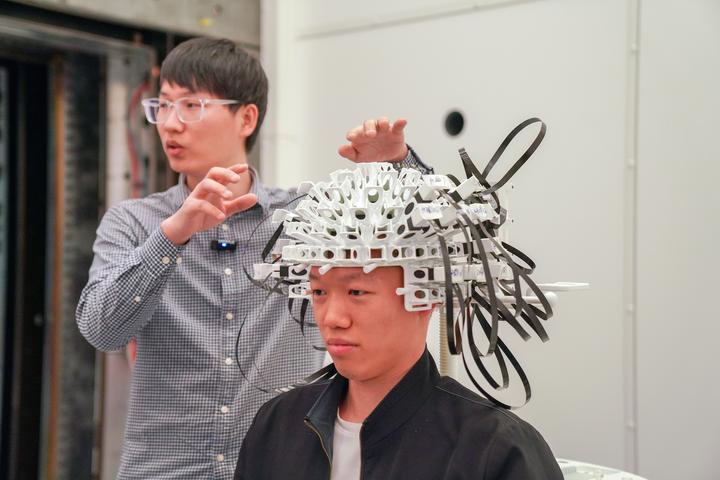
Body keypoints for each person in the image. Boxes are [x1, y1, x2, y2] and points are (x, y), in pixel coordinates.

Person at [75, 37, 431, 479]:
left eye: (191, 106)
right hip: (164, 470)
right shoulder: (134, 221)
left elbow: (431, 236)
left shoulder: (305, 216)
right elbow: (101, 330)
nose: (170, 123)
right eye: (162, 106)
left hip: (280, 466)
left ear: (246, 117)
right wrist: (172, 235)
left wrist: (398, 165)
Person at [234, 160, 564, 479]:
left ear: (426, 296)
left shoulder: (493, 450)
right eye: (319, 292)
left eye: (357, 292)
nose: (332, 318)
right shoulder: (276, 427)